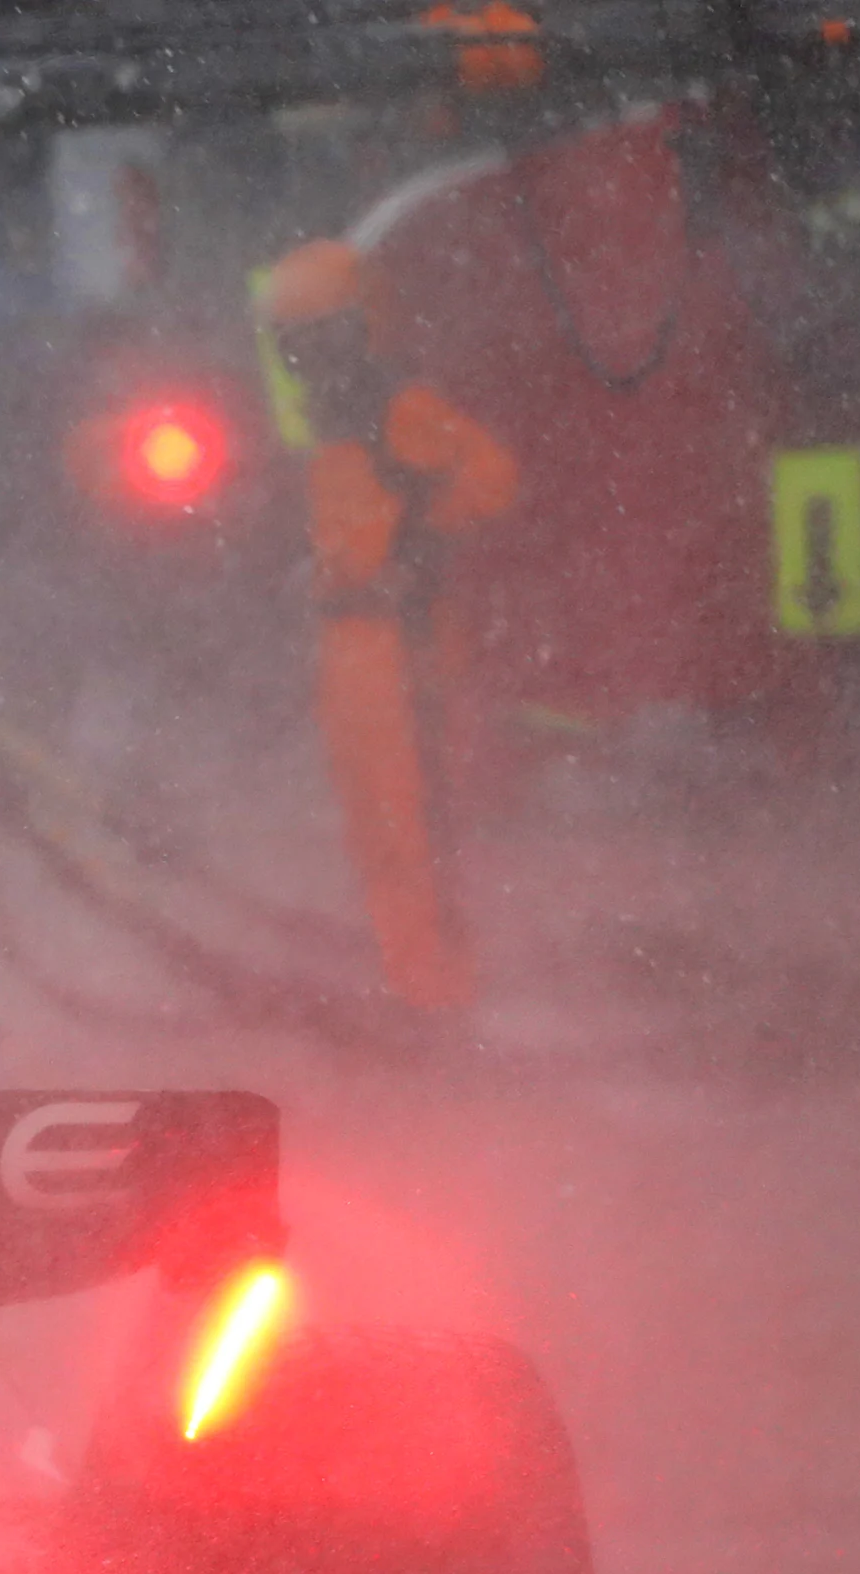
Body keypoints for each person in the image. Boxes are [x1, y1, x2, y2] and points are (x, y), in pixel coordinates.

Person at [260, 236, 518, 1013]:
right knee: (377, 830)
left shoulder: (397, 407)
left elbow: (492, 480)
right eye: (294, 345)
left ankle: (439, 998)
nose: (306, 359)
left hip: (398, 649)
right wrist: (325, 572)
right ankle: (412, 986)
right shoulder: (333, 420)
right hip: (349, 651)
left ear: (350, 331)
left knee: (415, 827)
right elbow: (351, 523)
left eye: (317, 339)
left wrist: (421, 544)